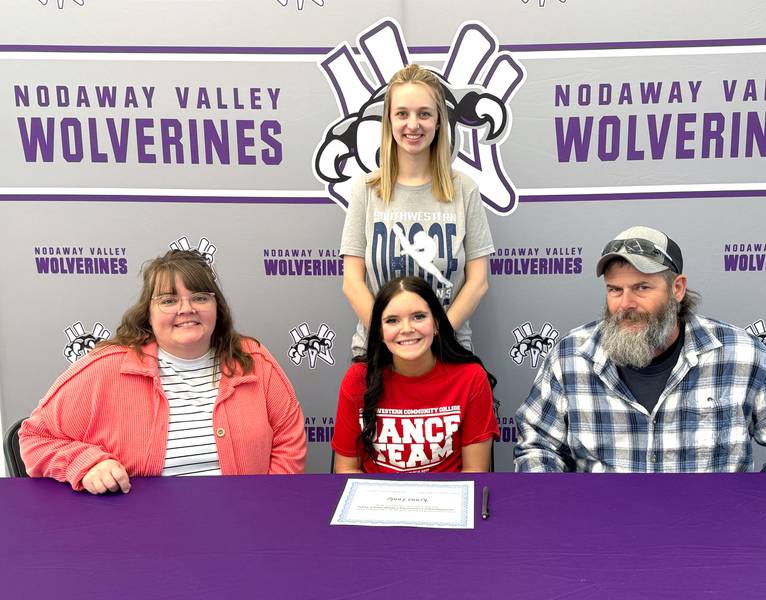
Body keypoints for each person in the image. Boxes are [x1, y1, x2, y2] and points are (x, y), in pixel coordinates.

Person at [514, 226, 766, 473]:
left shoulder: (743, 357)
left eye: (642, 288)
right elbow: (536, 446)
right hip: (602, 530)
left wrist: (753, 510)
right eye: (615, 290)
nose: (625, 304)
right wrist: (563, 510)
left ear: (677, 289)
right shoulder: (570, 358)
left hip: (710, 533)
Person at [20, 250, 306, 493]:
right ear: (149, 313)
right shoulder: (106, 367)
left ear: (216, 306)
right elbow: (35, 438)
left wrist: (269, 501)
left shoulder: (253, 361)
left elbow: (288, 439)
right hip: (139, 532)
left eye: (200, 298)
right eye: (169, 300)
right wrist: (87, 463)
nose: (186, 309)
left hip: (245, 526)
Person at [340, 63, 495, 355]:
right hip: (378, 352)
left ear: (438, 121)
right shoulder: (366, 190)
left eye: (424, 113)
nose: (413, 124)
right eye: (402, 114)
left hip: (447, 350)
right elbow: (352, 282)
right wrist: (392, 339)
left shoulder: (464, 189)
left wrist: (432, 338)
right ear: (389, 120)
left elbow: (477, 281)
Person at [332, 276, 499, 473]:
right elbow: (346, 471)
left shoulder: (471, 378)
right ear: (379, 332)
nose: (407, 329)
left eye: (419, 316)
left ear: (436, 323)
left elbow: (475, 473)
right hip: (377, 501)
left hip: (446, 500)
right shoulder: (358, 379)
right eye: (392, 320)